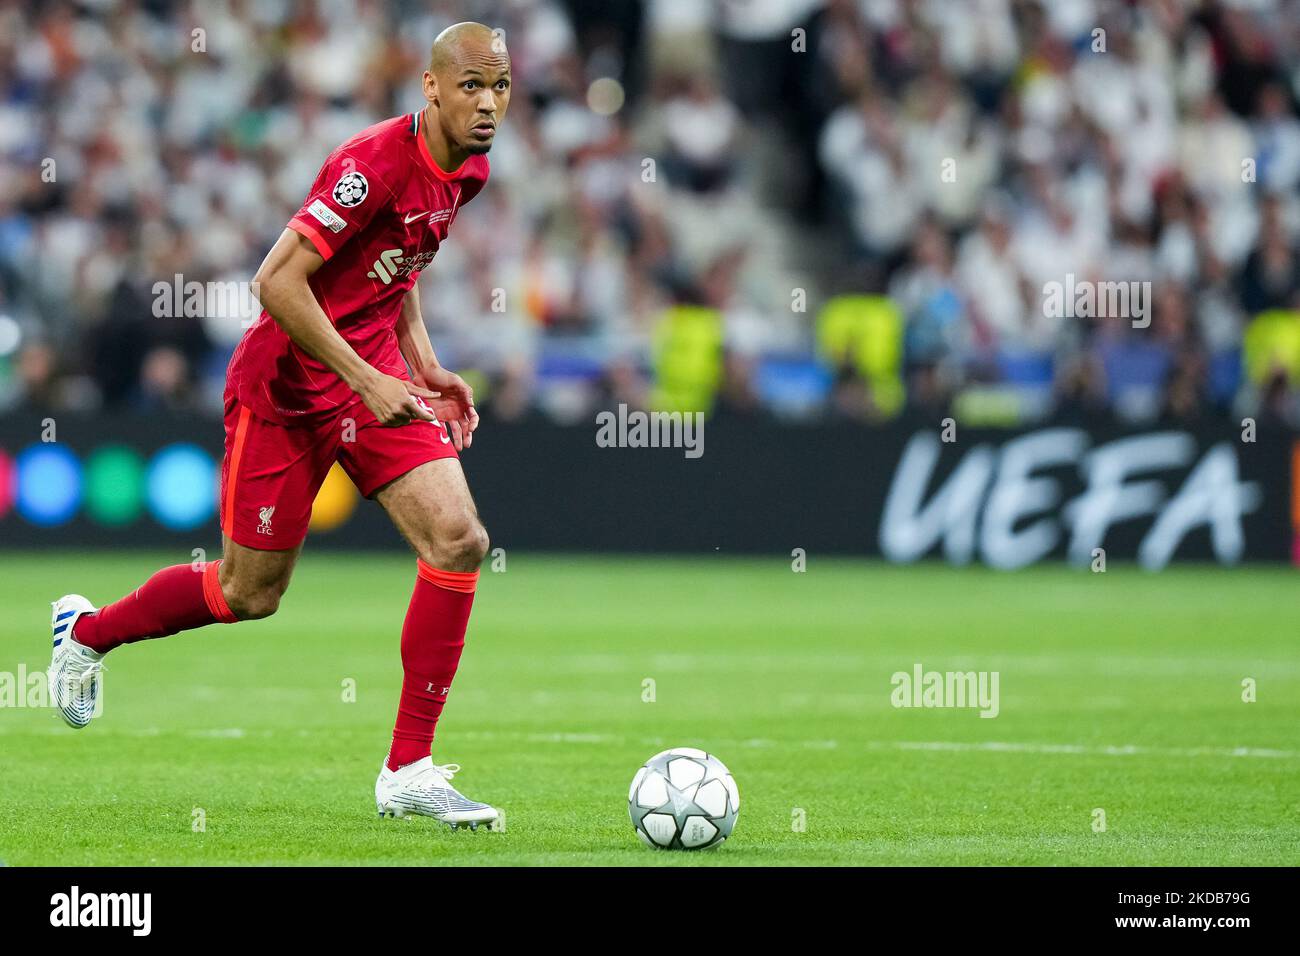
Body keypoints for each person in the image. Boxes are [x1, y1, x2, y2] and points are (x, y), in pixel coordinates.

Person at [47, 22, 512, 829]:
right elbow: (275, 282)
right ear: (431, 86)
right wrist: (366, 379)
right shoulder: (373, 164)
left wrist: (424, 366)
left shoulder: (467, 168)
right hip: (289, 389)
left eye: (501, 85)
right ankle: (86, 633)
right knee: (247, 593)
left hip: (372, 380)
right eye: (472, 83)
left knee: (459, 538)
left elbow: (394, 269)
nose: (489, 103)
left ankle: (409, 769)